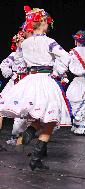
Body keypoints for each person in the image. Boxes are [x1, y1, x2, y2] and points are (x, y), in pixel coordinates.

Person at [0, 6, 71, 170]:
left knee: (40, 115)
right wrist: (58, 71)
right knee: (51, 120)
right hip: (46, 80)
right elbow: (66, 57)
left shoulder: (24, 44)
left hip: (30, 80)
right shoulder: (49, 42)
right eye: (47, 21)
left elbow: (18, 62)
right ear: (43, 23)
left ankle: (31, 131)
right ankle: (36, 157)